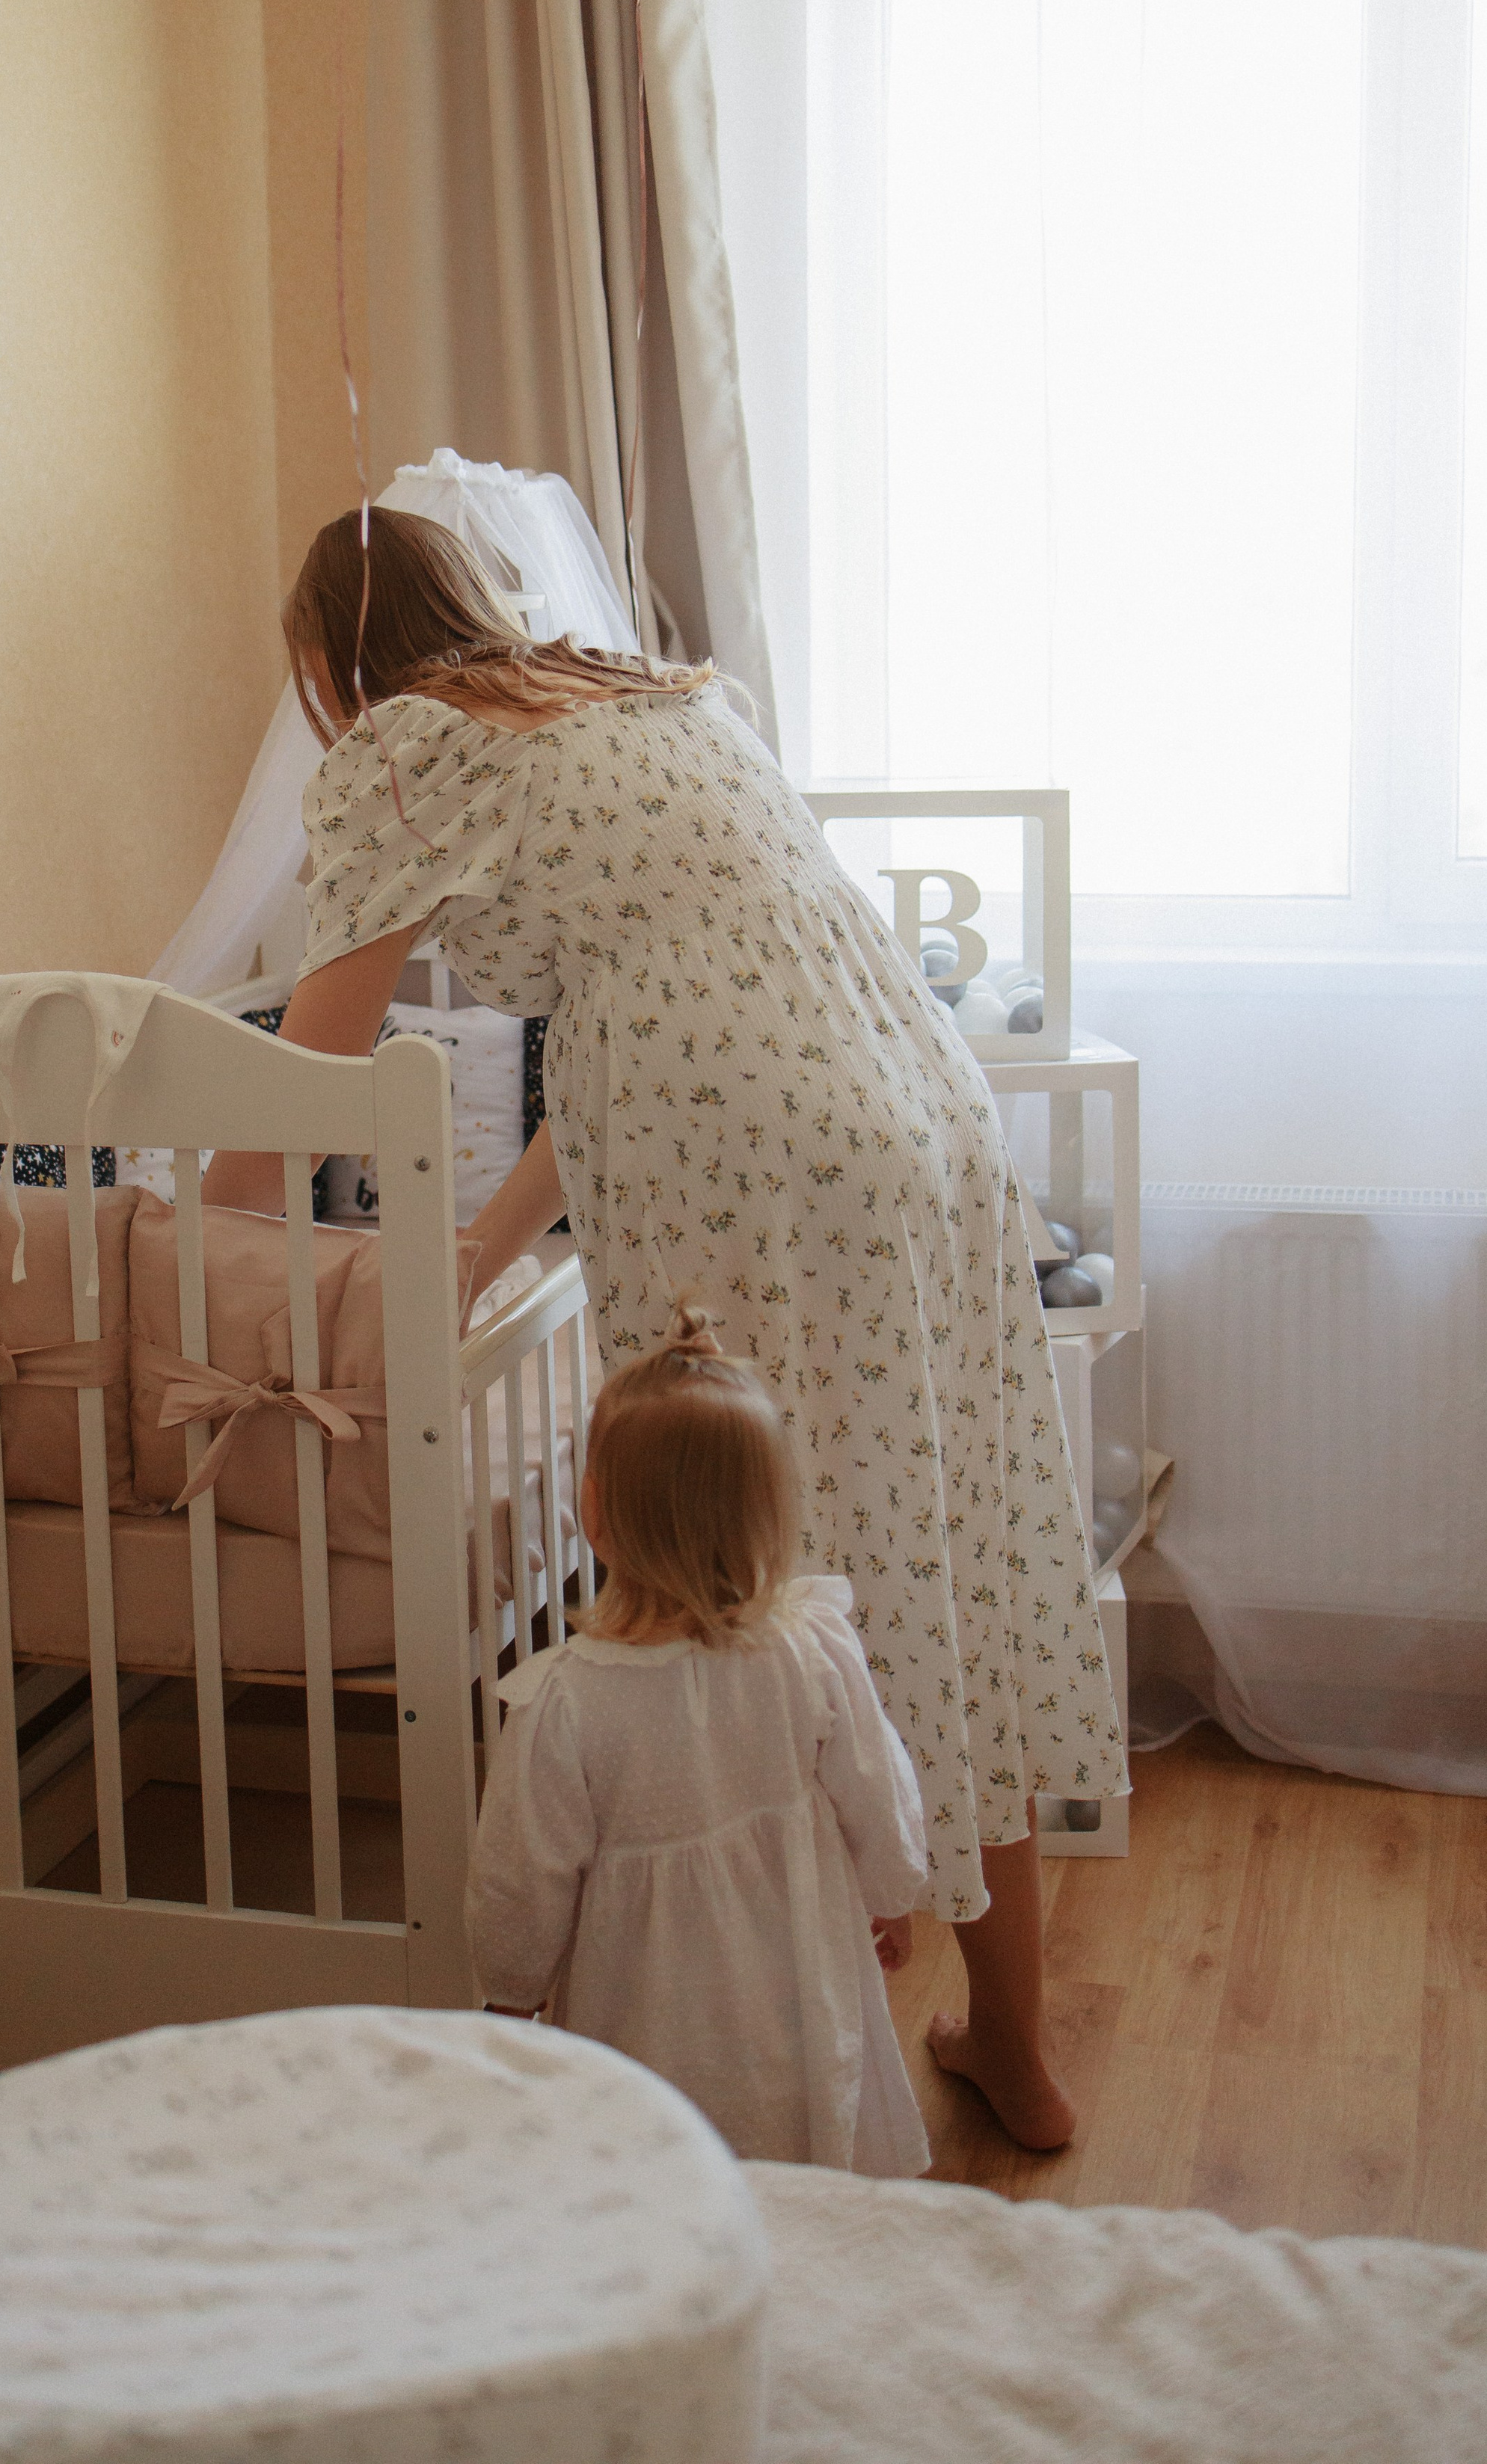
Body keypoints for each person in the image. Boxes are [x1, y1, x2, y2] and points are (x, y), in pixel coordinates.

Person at [204, 505, 1127, 2151]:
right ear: (471, 599)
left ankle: (799, 2049)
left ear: (327, 673)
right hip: (917, 1111)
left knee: (775, 1578)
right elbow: (686, 1000)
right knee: (947, 1546)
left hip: (758, 1171)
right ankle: (1014, 2050)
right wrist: (491, 1239)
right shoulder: (653, 698)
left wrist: (195, 1213)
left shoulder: (410, 747)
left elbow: (307, 1072)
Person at [465, 1300, 930, 2172]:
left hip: (649, 2001)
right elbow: (876, 1780)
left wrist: (511, 1991)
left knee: (658, 2165)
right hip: (798, 1956)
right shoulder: (811, 1648)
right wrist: (891, 1889)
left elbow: (522, 1873)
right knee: (803, 2123)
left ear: (592, 1514)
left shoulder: (567, 1703)